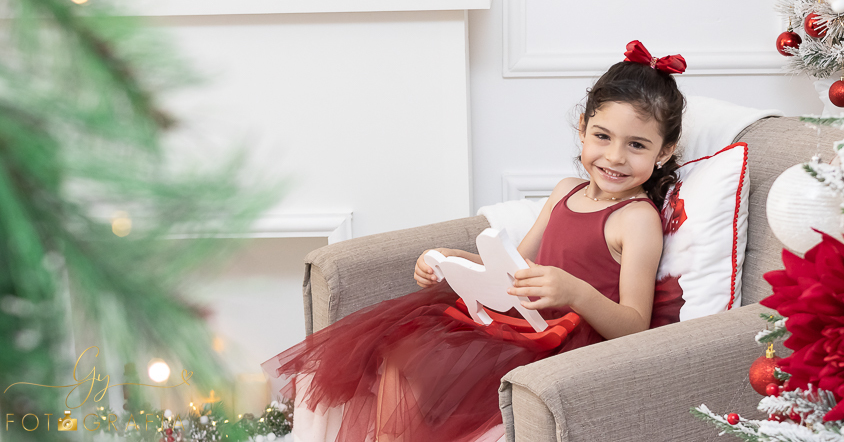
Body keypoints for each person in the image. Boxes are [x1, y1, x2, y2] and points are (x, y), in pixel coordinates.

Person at [262, 40, 687, 442]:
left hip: (562, 341)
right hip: (518, 321)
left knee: (429, 368)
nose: (614, 157)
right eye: (603, 136)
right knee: (400, 354)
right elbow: (512, 268)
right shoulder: (566, 191)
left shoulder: (636, 220)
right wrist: (454, 260)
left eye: (636, 145)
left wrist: (574, 291)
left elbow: (634, 326)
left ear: (663, 151)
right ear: (582, 129)